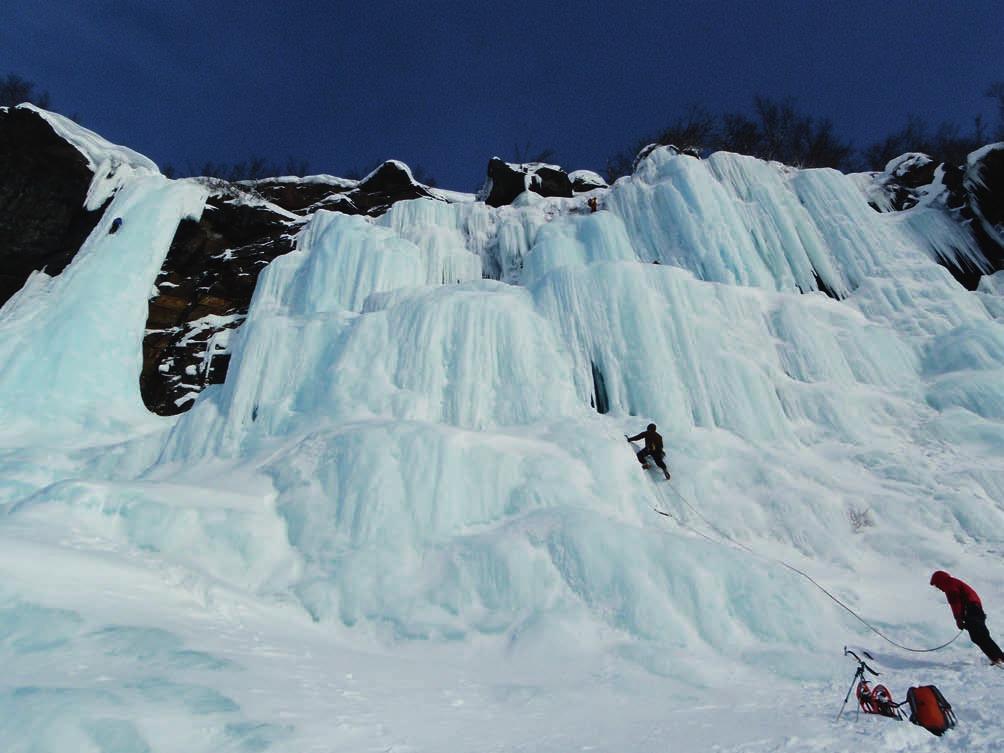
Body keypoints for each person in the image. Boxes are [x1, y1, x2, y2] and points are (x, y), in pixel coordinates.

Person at [930, 570, 1004, 665]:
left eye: (936, 584)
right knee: (978, 636)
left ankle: (999, 657)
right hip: (975, 610)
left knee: (980, 636)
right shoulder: (954, 582)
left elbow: (955, 602)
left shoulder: (949, 584)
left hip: (971, 610)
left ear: (940, 580)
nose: (938, 588)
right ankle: (996, 657)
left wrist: (958, 619)